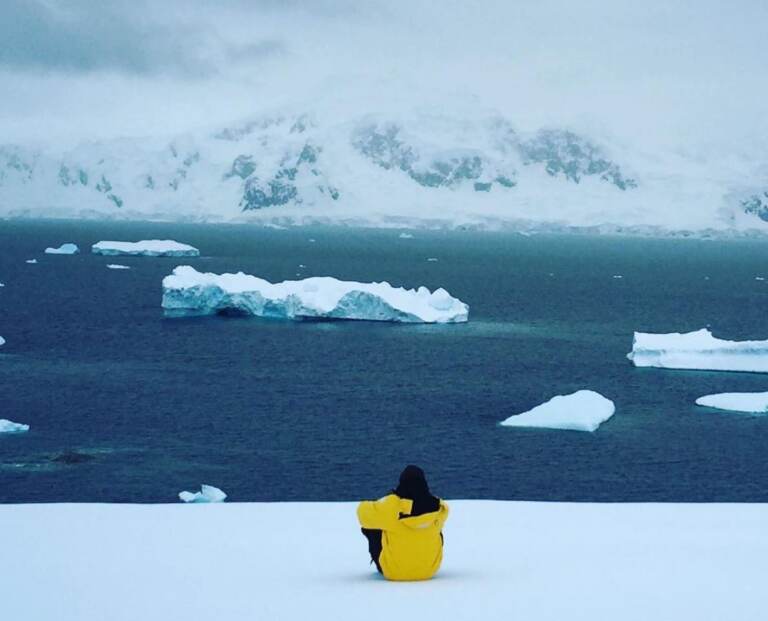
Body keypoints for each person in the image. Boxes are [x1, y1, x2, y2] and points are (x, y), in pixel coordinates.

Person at [357, 465, 449, 581]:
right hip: (429, 570)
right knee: (436, 529)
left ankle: (388, 558)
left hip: (393, 572)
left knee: (372, 526)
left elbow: (362, 514)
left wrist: (383, 502)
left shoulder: (392, 506)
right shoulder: (438, 507)